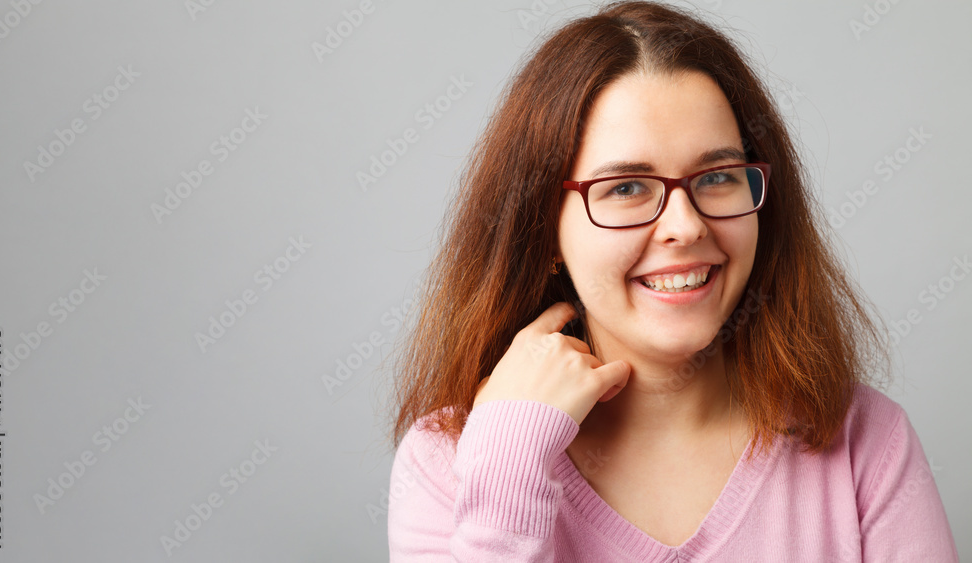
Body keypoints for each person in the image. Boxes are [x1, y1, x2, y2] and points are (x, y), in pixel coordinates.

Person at [385, 1, 959, 560]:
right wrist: (511, 459)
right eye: (627, 187)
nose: (684, 227)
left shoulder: (867, 445)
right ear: (544, 230)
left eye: (716, 177)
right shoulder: (446, 463)